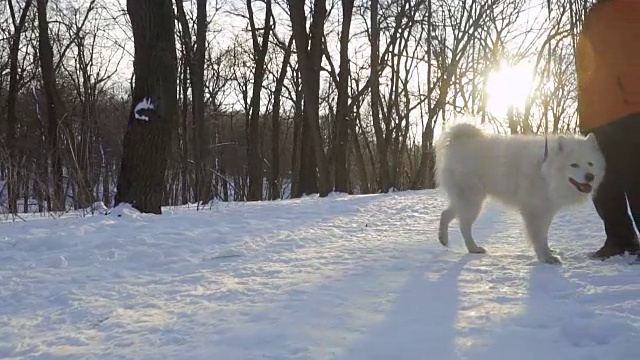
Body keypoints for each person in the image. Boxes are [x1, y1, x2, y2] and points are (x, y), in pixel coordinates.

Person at [576, 0, 640, 260]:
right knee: (602, 182)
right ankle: (620, 239)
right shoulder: (598, 11)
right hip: (599, 114)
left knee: (636, 178)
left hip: (630, 109)